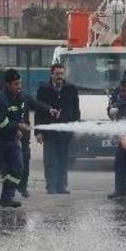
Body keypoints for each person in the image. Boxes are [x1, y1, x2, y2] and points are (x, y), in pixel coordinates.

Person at [0, 69, 57, 207]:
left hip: (11, 141)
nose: (19, 86)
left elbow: (34, 103)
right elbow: (2, 122)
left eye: (20, 83)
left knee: (17, 167)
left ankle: (7, 197)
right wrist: (19, 126)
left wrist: (50, 109)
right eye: (15, 84)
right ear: (7, 85)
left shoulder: (21, 97)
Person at [35, 63, 80, 195]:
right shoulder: (43, 89)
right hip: (49, 132)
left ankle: (62, 186)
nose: (60, 76)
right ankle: (51, 187)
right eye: (57, 74)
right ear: (51, 74)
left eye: (61, 73)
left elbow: (76, 111)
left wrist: (76, 128)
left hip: (65, 132)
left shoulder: (71, 89)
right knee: (50, 161)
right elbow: (38, 112)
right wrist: (38, 132)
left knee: (63, 160)